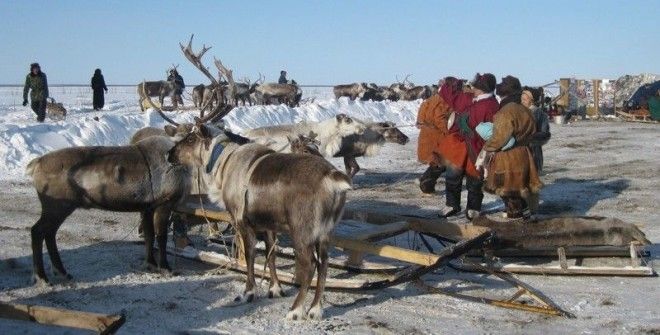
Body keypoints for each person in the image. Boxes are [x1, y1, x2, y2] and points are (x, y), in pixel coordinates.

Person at [483, 76, 543, 219]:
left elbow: (500, 138)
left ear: (505, 92)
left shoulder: (506, 111)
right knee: (519, 187)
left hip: (508, 156)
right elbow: (533, 131)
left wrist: (487, 146)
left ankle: (516, 224)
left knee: (510, 192)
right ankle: (525, 214)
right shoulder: (525, 110)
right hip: (524, 153)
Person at [416, 78, 455, 194]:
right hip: (437, 138)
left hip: (426, 138)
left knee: (437, 162)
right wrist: (450, 133)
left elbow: (419, 121)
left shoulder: (429, 101)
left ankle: (426, 183)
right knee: (440, 163)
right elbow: (440, 119)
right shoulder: (444, 101)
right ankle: (426, 184)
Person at [521, 87, 551, 174]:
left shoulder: (539, 114)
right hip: (523, 151)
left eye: (524, 99)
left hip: (533, 152)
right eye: (521, 99)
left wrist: (530, 138)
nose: (522, 101)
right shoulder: (522, 112)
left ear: (532, 100)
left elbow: (545, 134)